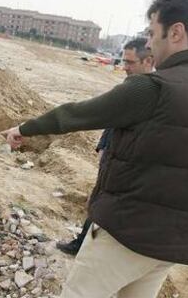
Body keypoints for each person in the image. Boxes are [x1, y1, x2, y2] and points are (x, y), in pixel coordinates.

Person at [1, 0, 188, 297]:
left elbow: (77, 114)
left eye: (151, 32)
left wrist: (24, 128)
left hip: (125, 234)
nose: (149, 42)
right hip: (174, 245)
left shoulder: (152, 88)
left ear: (175, 32)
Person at [56, 38, 154, 256]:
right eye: (124, 61)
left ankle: (91, 248)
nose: (125, 68)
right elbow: (113, 122)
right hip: (113, 157)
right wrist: (103, 146)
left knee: (105, 205)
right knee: (97, 200)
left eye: (130, 63)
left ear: (148, 61)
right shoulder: (129, 88)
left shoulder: (156, 93)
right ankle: (82, 243)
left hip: (130, 167)